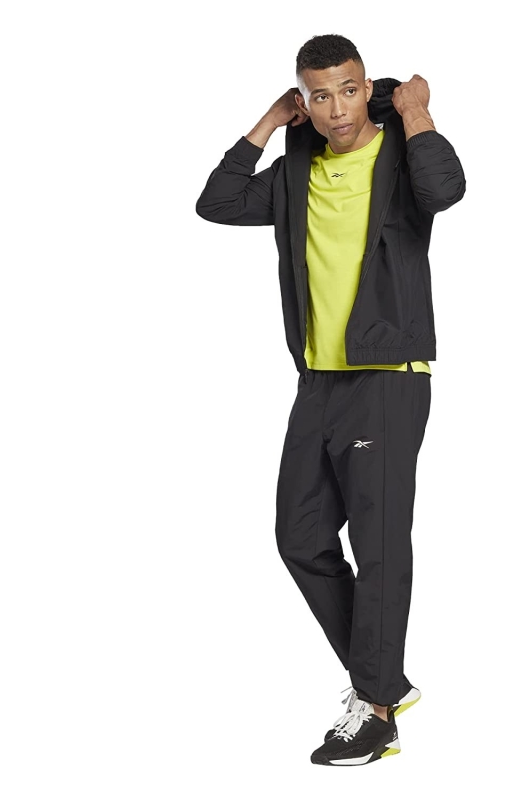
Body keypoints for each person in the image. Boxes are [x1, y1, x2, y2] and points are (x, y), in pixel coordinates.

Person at [195, 33, 466, 766]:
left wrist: (415, 111)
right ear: (305, 102)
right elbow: (217, 202)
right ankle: (385, 681)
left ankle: (375, 709)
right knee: (300, 537)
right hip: (317, 380)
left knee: (377, 546)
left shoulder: (402, 159)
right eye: (320, 96)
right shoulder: (295, 173)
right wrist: (267, 121)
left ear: (365, 89)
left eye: (349, 90)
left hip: (388, 375)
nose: (337, 108)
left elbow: (446, 190)